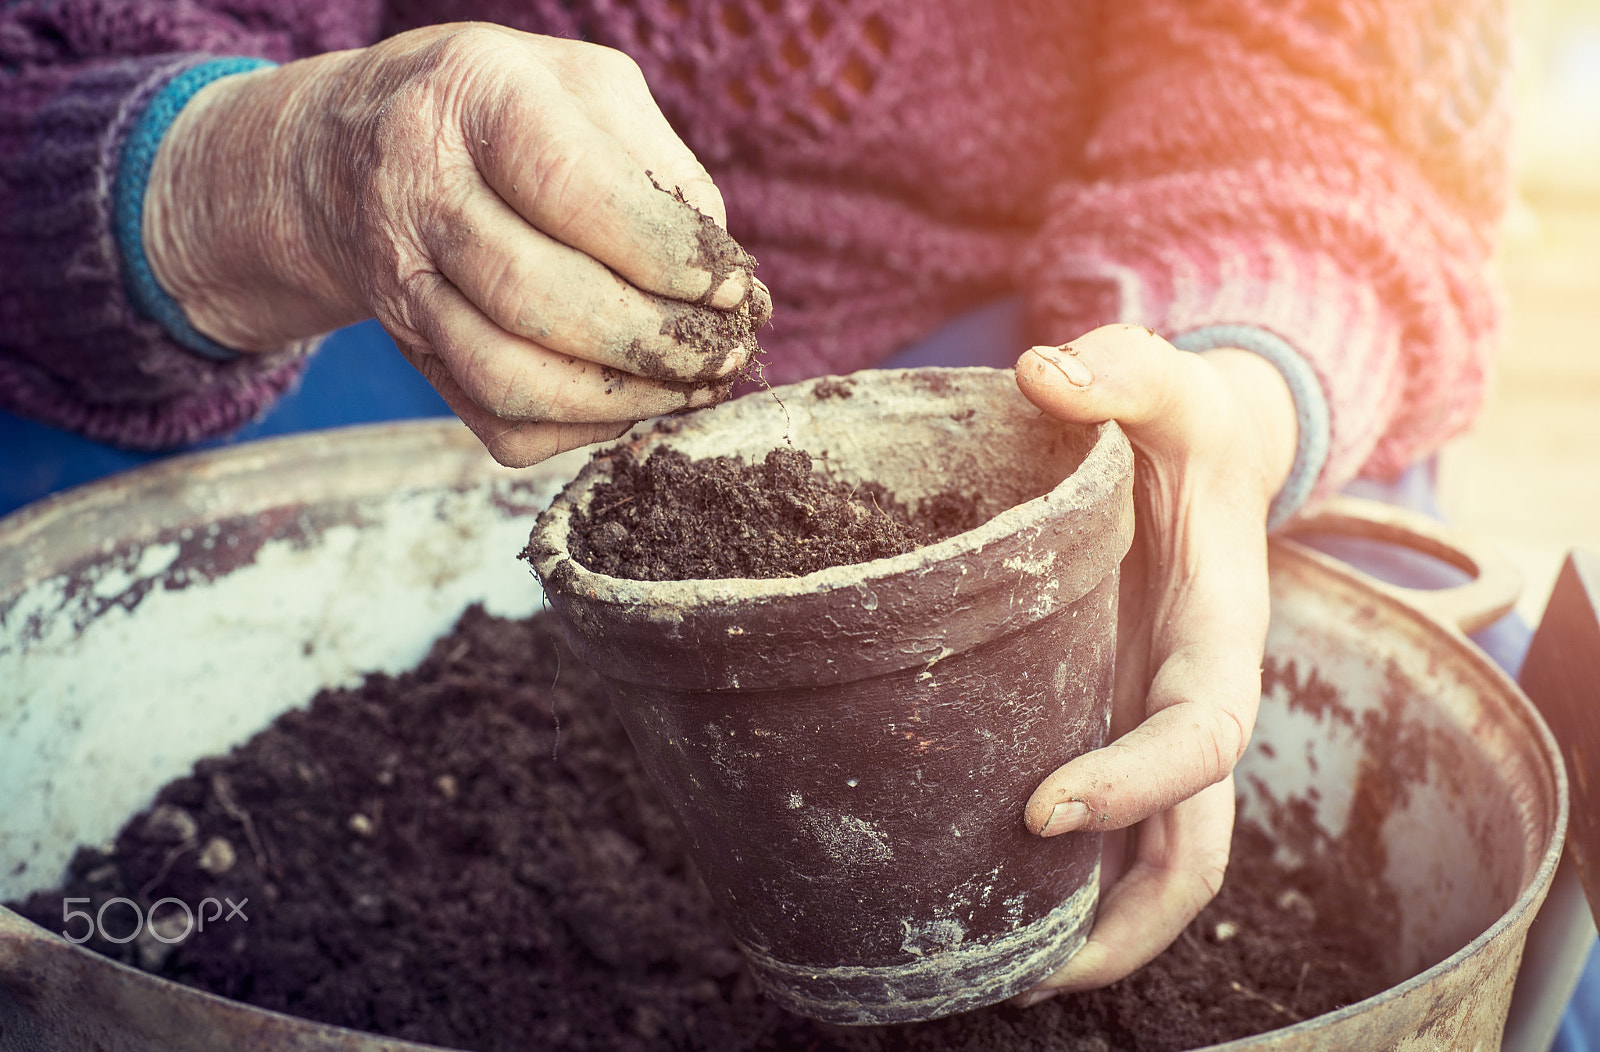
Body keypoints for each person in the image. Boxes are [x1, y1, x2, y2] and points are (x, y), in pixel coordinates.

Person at [0, 0, 1530, 1009]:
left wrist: (1229, 396)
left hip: (1059, 328)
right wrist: (267, 175)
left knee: (1446, 740)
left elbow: (1330, 110)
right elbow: (58, 85)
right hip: (393, 292)